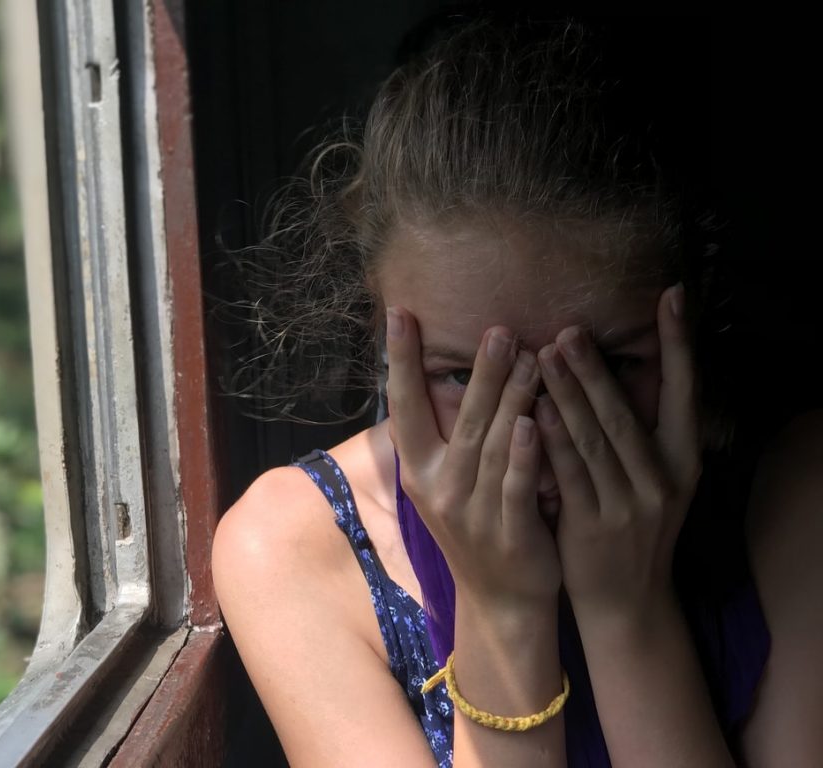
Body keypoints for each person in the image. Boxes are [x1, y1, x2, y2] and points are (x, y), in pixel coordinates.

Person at [211, 17, 822, 767]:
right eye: (465, 376)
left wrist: (627, 611)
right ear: (381, 327)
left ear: (686, 320)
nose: (536, 436)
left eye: (608, 366)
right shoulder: (295, 547)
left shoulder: (794, 495)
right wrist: (502, 610)